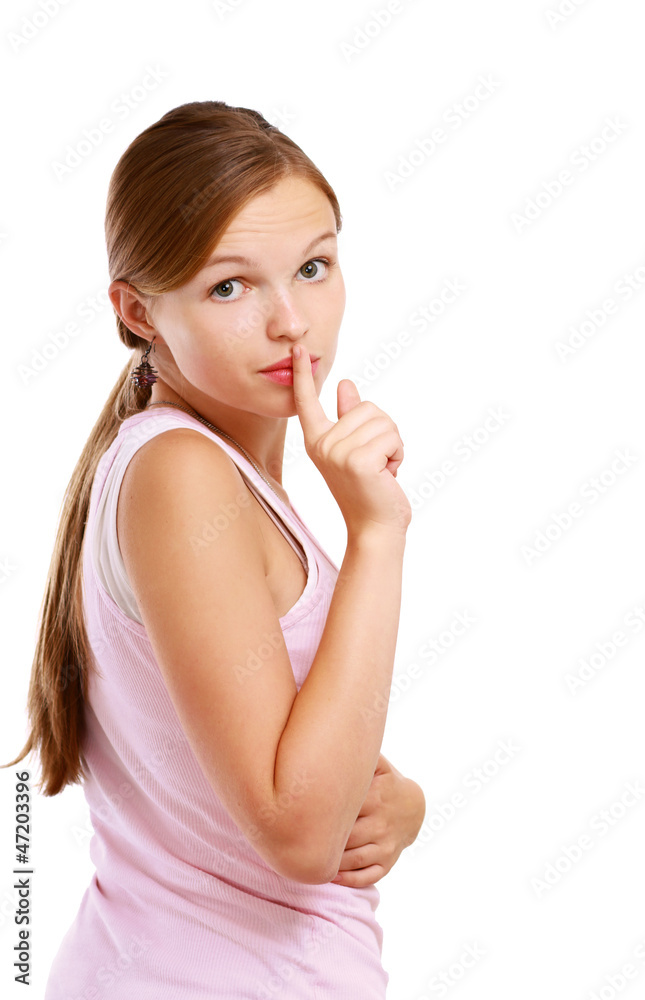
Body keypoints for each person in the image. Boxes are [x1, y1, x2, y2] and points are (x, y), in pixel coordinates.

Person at [3, 100, 425, 998]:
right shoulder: (181, 475)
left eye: (312, 267)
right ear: (137, 310)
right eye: (229, 286)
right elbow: (297, 830)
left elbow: (305, 768)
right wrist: (378, 536)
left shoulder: (223, 480)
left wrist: (401, 805)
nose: (291, 323)